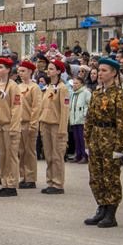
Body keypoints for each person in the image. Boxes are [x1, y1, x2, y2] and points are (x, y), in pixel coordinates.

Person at [83, 57, 123, 228]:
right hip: (96, 137)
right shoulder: (97, 93)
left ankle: (111, 212)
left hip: (110, 137)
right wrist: (87, 141)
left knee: (110, 177)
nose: (100, 74)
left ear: (114, 73)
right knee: (96, 176)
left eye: (104, 71)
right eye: (99, 70)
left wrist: (120, 147)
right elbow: (89, 119)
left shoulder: (119, 95)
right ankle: (101, 207)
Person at [0, 57, 21, 197]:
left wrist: (14, 126)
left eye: (1, 67)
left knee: (11, 155)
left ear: (8, 70)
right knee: (1, 155)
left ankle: (12, 184)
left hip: (8, 125)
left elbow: (16, 107)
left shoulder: (13, 86)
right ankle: (4, 182)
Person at [39, 59, 70, 194]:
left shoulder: (62, 88)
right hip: (45, 123)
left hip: (57, 125)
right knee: (49, 155)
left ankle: (58, 183)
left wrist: (63, 129)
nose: (48, 71)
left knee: (57, 155)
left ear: (58, 71)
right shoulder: (48, 87)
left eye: (52, 69)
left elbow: (65, 110)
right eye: (48, 68)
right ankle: (50, 180)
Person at [16, 60, 43, 189]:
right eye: (19, 71)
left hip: (28, 122)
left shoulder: (34, 88)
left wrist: (33, 124)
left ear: (30, 72)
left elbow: (36, 107)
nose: (20, 73)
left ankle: (31, 177)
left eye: (23, 71)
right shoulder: (18, 87)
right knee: (21, 151)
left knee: (29, 151)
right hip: (19, 122)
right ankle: (23, 176)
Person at [69, 75, 90, 163]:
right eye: (74, 83)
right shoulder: (73, 93)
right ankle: (78, 155)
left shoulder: (86, 92)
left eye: (77, 83)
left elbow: (89, 104)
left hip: (82, 119)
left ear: (81, 84)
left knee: (83, 139)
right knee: (76, 138)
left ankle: (85, 156)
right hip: (74, 119)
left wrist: (85, 114)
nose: (75, 85)